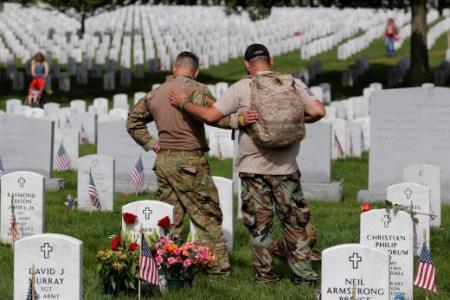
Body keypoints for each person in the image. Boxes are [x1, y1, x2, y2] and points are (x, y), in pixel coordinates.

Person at [168, 44, 326, 285]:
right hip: (286, 169)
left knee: (259, 226)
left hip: (253, 169)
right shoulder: (292, 83)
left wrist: (182, 103)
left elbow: (210, 116)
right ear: (270, 60)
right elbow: (318, 111)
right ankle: (304, 276)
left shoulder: (242, 87)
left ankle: (265, 277)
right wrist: (290, 120)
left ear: (246, 64)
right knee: (294, 223)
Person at [127, 51, 257, 276]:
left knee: (170, 217)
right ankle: (216, 270)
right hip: (190, 161)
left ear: (174, 68)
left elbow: (132, 121)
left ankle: (164, 267)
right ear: (195, 72)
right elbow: (215, 116)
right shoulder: (196, 89)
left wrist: (151, 143)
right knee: (207, 213)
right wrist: (241, 120)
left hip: (164, 160)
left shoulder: (155, 93)